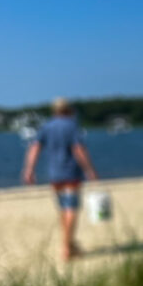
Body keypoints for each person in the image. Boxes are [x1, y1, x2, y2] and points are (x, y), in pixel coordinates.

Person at [22, 97, 98, 261]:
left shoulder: (46, 127)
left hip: (54, 175)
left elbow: (35, 148)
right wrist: (90, 170)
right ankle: (66, 247)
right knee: (71, 209)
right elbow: (78, 149)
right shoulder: (71, 126)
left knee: (63, 210)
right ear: (68, 110)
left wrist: (29, 169)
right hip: (70, 174)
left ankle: (69, 244)